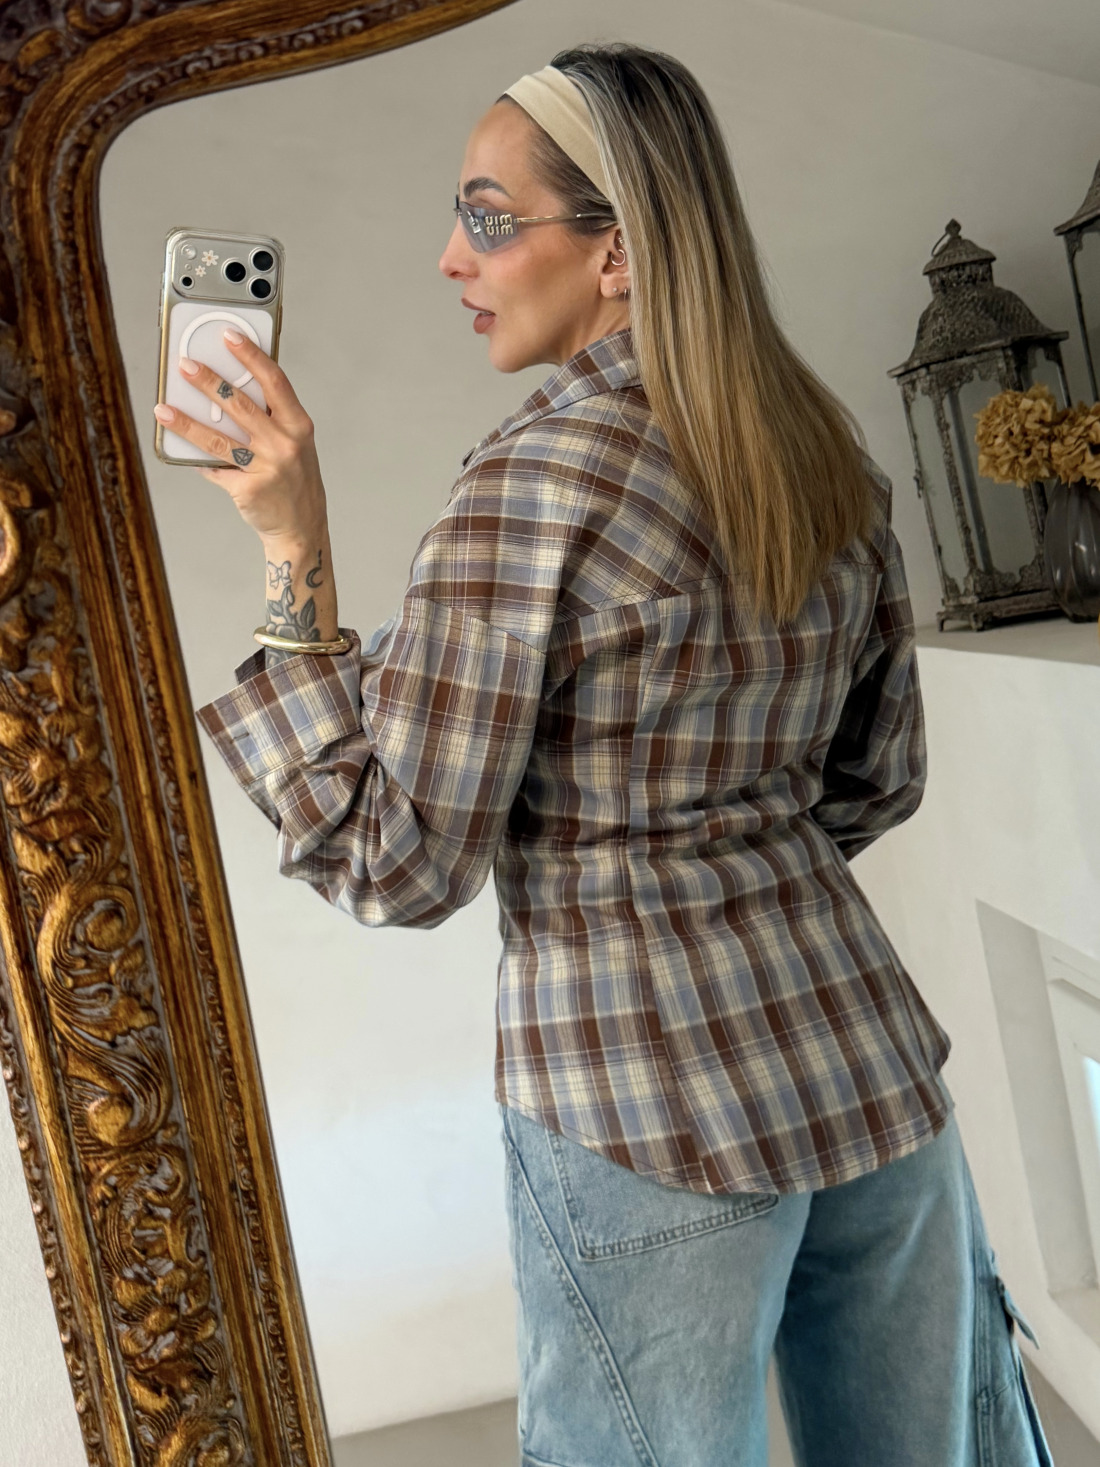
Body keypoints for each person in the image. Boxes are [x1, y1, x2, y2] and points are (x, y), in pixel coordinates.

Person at [155, 41, 1054, 1467]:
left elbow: (393, 867)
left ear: (618, 249)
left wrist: (291, 550)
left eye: (488, 217)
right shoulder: (823, 453)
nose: (452, 256)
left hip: (640, 1100)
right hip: (865, 1054)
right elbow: (877, 777)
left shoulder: (532, 490)